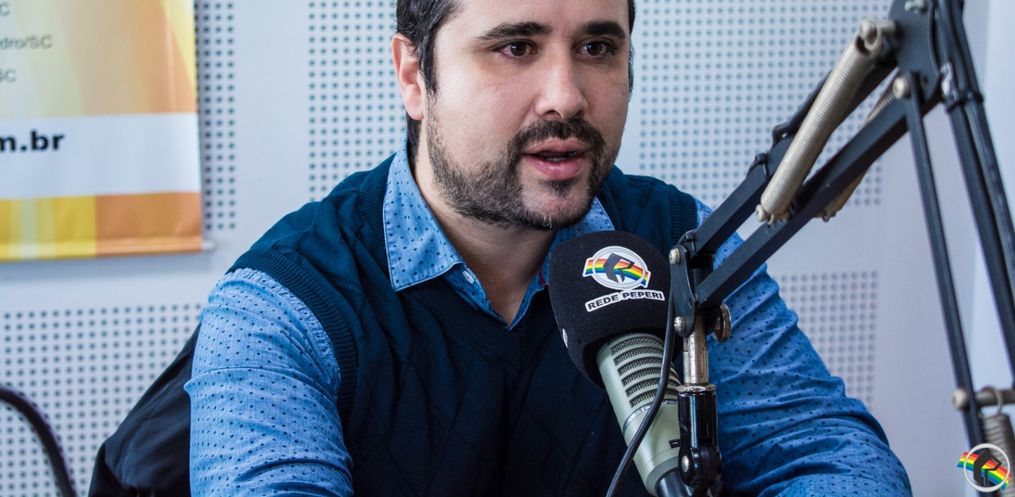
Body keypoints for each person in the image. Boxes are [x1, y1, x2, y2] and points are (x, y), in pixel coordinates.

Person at [185, 0, 913, 495]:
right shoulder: (282, 306)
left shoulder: (683, 243)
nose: (565, 95)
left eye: (597, 47)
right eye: (515, 47)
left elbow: (826, 454)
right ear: (413, 76)